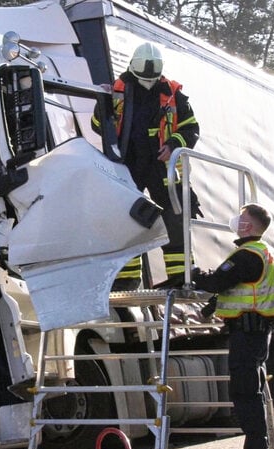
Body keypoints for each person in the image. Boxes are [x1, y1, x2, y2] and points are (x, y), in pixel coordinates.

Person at [92, 42, 201, 290]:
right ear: (132, 69)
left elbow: (191, 128)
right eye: (144, 78)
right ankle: (125, 278)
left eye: (152, 78)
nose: (148, 83)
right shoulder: (116, 91)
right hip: (128, 163)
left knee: (174, 216)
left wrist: (174, 144)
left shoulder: (174, 94)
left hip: (162, 165)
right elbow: (98, 125)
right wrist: (102, 102)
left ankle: (182, 276)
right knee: (126, 218)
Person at [193, 203, 274, 449]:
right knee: (251, 394)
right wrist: (215, 305)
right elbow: (241, 287)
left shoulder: (247, 255)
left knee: (245, 395)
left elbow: (218, 280)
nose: (236, 221)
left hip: (247, 333)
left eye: (242, 218)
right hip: (255, 332)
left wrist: (192, 274)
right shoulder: (263, 252)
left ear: (250, 226)